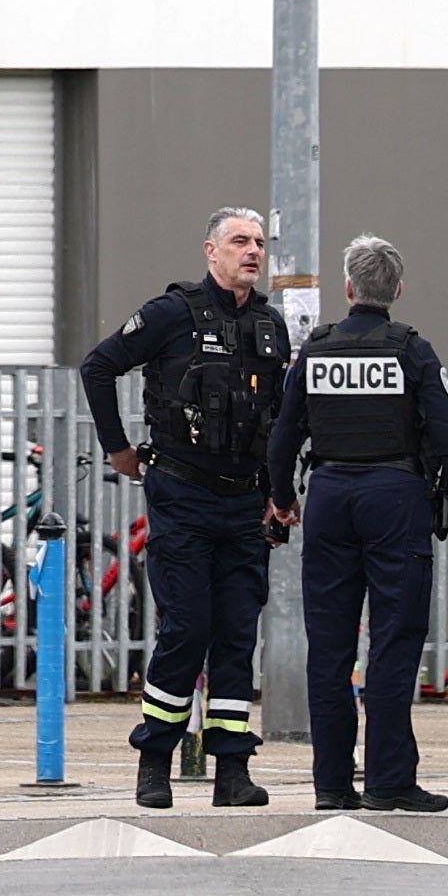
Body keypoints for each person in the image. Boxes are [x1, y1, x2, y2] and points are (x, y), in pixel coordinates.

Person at [267, 234, 448, 812]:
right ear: (398, 290)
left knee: (330, 647)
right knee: (393, 642)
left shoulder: (315, 351)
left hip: (331, 495)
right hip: (395, 498)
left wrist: (282, 497)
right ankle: (390, 781)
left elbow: (284, 435)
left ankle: (332, 785)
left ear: (348, 289)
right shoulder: (412, 351)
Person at [80, 206, 290, 810]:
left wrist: (281, 494)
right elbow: (98, 367)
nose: (252, 251)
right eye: (239, 242)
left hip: (246, 503)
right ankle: (155, 761)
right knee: (187, 628)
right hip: (182, 495)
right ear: (210, 251)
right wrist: (117, 448)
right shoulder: (172, 314)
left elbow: (282, 421)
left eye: (257, 242)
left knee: (235, 634)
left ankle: (232, 771)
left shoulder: (272, 326)